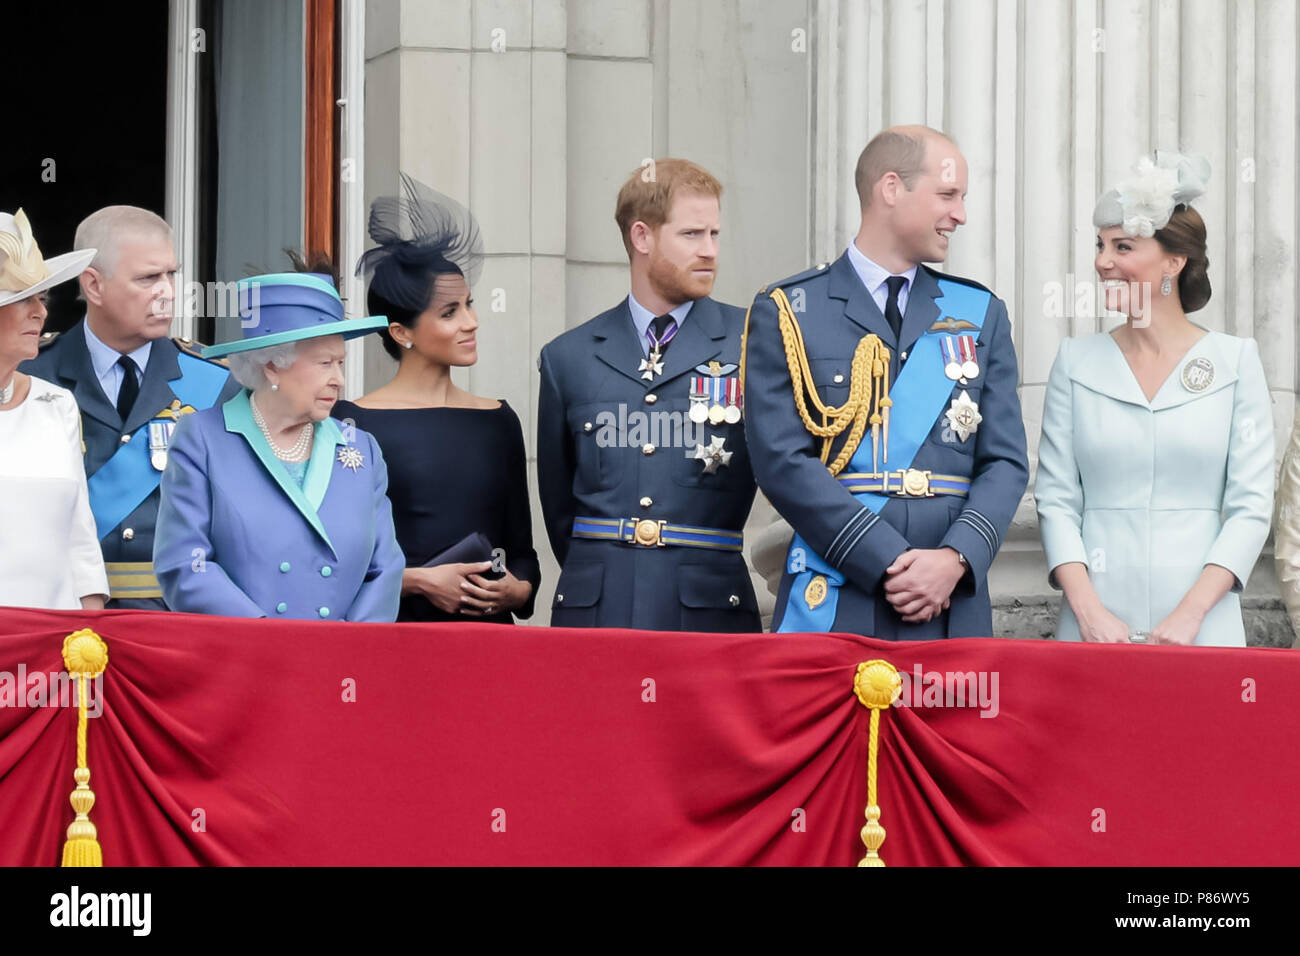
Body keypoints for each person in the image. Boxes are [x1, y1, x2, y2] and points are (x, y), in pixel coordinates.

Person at [742, 126, 1029, 638]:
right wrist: (886, 558)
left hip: (949, 599)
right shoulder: (790, 310)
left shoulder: (980, 313)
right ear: (891, 188)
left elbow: (1004, 462)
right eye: (948, 195)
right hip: (840, 584)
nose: (960, 214)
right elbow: (782, 461)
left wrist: (955, 559)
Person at [1035, 152, 1273, 646]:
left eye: (1122, 247)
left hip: (1205, 629)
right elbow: (1056, 500)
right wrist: (1089, 613)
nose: (1103, 262)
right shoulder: (1075, 362)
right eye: (1100, 246)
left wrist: (1191, 616)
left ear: (1173, 261)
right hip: (1089, 630)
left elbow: (1250, 507)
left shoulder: (1235, 362)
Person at [537, 158, 760, 630]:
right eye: (692, 235)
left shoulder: (755, 342)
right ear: (642, 237)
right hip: (599, 611)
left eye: (715, 234)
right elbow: (560, 508)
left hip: (708, 612)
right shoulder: (568, 357)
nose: (709, 251)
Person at [334, 175, 540, 623]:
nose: (472, 322)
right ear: (401, 332)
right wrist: (421, 581)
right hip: (395, 640)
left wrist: (515, 590)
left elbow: (523, 557)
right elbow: (337, 560)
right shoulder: (351, 422)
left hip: (489, 646)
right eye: (450, 312)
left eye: (470, 304)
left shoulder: (498, 420)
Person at [153, 269, 404, 621]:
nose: (340, 380)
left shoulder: (362, 448)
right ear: (272, 365)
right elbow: (185, 564)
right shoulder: (203, 439)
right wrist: (269, 641)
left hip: (343, 664)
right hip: (245, 659)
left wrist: (352, 645)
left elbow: (386, 569)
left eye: (341, 363)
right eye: (325, 364)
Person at [21, 205, 239, 608]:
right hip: (58, 615)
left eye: (171, 275)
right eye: (148, 278)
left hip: (178, 621)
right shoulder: (31, 376)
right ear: (94, 286)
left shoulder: (216, 383)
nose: (168, 292)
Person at [0, 209, 108, 609]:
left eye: (40, 298)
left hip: (54, 645)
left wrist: (88, 641)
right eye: (21, 299)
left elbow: (80, 535)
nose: (41, 312)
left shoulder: (56, 403)